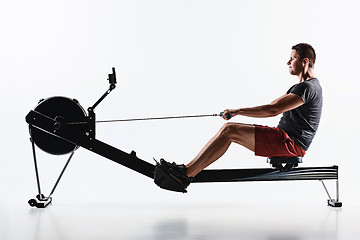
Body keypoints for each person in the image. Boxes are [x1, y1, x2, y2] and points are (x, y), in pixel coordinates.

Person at [160, 43, 322, 190]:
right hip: (284, 139)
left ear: (305, 61)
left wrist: (238, 111)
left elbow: (273, 110)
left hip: (290, 144)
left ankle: (186, 174)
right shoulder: (302, 86)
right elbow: (274, 103)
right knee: (229, 130)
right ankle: (186, 169)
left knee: (229, 130)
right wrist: (238, 111)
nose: (288, 62)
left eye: (292, 58)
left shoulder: (308, 87)